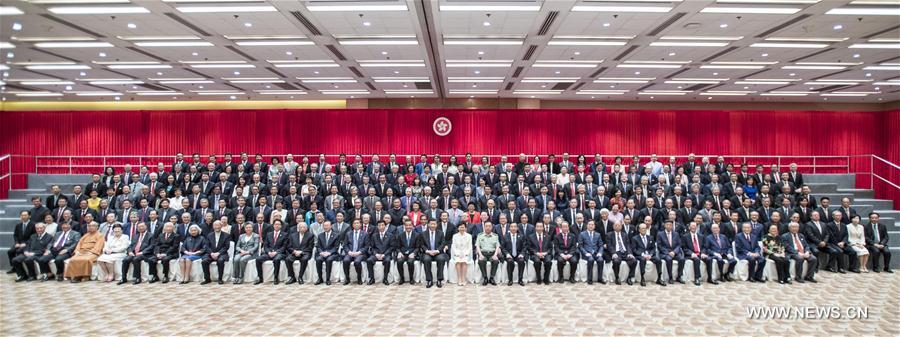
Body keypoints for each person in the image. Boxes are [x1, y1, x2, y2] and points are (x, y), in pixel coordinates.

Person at [255, 220, 288, 285]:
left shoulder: (285, 234)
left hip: (279, 253)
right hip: (269, 253)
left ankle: (276, 278)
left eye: (278, 224)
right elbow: (265, 245)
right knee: (258, 259)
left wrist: (276, 252)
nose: (277, 226)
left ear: (281, 226)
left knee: (277, 259)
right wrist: (268, 252)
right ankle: (260, 278)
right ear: (273, 225)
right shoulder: (269, 234)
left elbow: (284, 247)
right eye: (275, 224)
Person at [419, 219, 449, 288]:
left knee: (441, 259)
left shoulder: (440, 233)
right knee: (426, 259)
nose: (433, 225)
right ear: (428, 224)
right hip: (427, 252)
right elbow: (422, 244)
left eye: (434, 224)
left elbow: (443, 243)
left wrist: (437, 251)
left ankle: (439, 279)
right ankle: (429, 280)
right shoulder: (423, 233)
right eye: (431, 224)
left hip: (438, 252)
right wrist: (427, 251)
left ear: (436, 225)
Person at [606, 220, 637, 285]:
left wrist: (630, 253)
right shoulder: (609, 234)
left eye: (619, 225)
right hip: (616, 252)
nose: (617, 227)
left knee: (634, 261)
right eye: (616, 225)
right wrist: (613, 253)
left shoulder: (624, 234)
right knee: (616, 261)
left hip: (625, 252)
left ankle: (629, 277)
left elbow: (628, 245)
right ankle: (617, 277)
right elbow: (609, 246)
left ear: (621, 226)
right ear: (613, 226)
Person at [202, 220, 231, 284]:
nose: (217, 227)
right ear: (213, 226)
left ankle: (220, 279)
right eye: (215, 225)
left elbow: (226, 247)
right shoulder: (209, 235)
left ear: (221, 226)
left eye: (218, 225)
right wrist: (211, 253)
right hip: (211, 253)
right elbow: (206, 246)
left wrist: (218, 253)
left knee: (220, 261)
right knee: (204, 261)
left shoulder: (226, 235)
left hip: (222, 253)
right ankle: (207, 279)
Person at [342, 219, 369, 285]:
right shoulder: (348, 233)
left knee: (357, 262)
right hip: (350, 253)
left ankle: (359, 278)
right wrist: (348, 252)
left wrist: (359, 252)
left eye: (358, 223)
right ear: (352, 225)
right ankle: (347, 278)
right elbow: (345, 245)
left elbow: (366, 246)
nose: (356, 224)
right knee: (345, 260)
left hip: (360, 253)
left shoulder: (365, 234)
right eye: (355, 223)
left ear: (360, 225)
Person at [682, 221, 710, 286]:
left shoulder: (701, 236)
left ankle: (710, 278)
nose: (693, 227)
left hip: (700, 253)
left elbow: (704, 246)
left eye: (695, 226)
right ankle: (697, 278)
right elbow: (684, 248)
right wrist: (691, 253)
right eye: (692, 226)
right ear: (689, 227)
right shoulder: (685, 236)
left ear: (697, 227)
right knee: (696, 259)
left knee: (709, 259)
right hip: (690, 255)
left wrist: (703, 253)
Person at [367, 221, 394, 285]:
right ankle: (372, 278)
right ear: (377, 227)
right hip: (376, 254)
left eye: (382, 225)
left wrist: (384, 254)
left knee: (387, 261)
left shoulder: (390, 235)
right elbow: (372, 247)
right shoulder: (374, 235)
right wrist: (376, 254)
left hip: (386, 254)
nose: (381, 227)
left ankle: (385, 279)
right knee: (369, 260)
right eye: (379, 225)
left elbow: (391, 247)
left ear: (385, 226)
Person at [315, 221, 341, 285]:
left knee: (329, 260)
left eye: (327, 225)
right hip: (322, 253)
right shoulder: (320, 235)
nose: (326, 227)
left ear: (330, 226)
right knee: (318, 259)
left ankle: (328, 279)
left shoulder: (336, 235)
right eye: (325, 226)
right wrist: (321, 252)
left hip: (332, 253)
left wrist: (329, 253)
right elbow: (318, 246)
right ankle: (320, 278)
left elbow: (336, 247)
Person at [396, 220, 420, 285]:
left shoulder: (417, 235)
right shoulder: (401, 235)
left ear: (412, 226)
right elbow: (397, 247)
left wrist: (414, 253)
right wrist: (399, 252)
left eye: (410, 225)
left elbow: (418, 247)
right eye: (406, 225)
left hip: (412, 254)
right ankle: (402, 278)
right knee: (399, 261)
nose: (408, 227)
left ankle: (411, 278)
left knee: (410, 262)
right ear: (404, 226)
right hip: (403, 253)